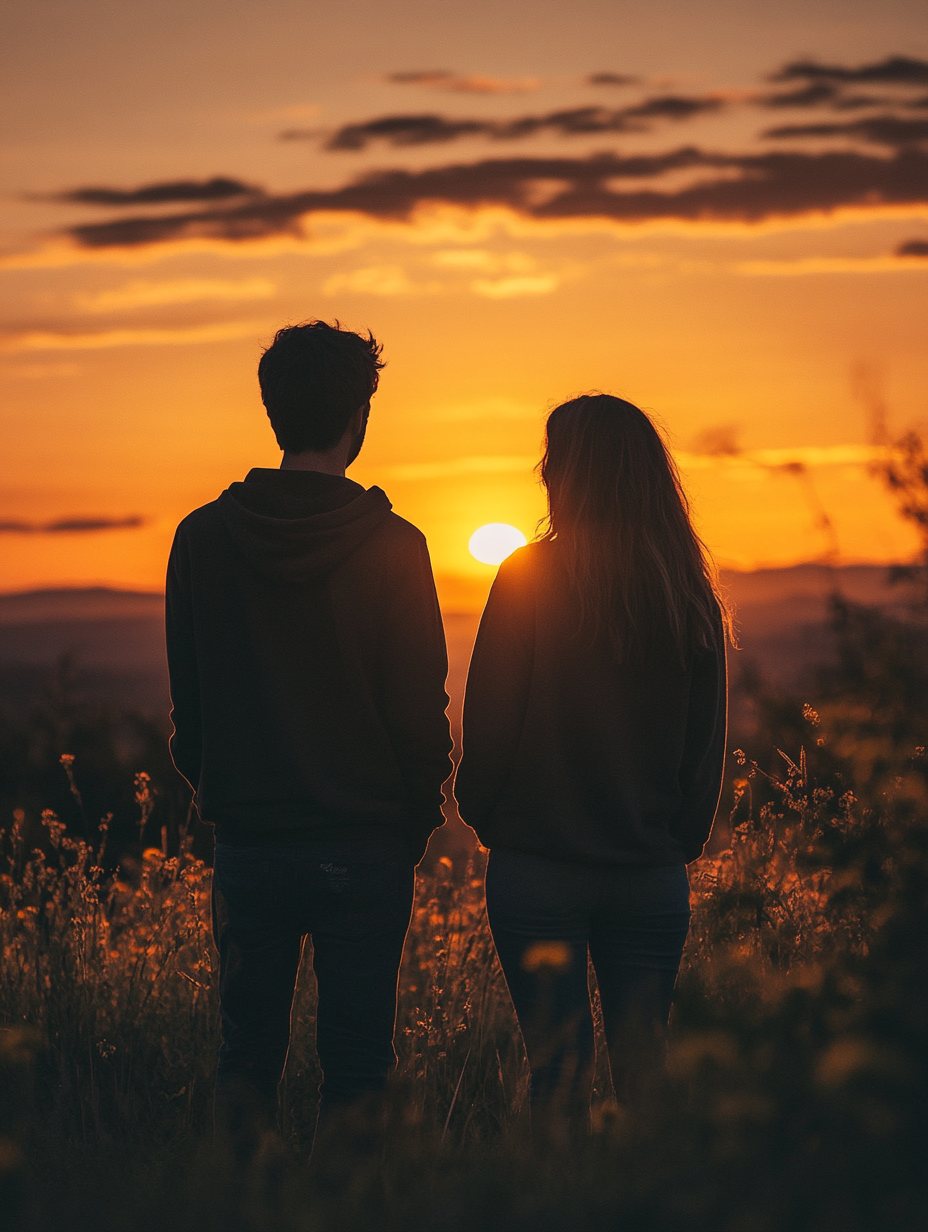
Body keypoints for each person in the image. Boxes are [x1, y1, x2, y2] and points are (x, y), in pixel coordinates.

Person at [165, 320, 452, 1151]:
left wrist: (228, 796)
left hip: (249, 843)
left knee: (244, 1062)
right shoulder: (397, 548)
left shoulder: (201, 539)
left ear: (272, 410)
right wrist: (410, 825)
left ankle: (238, 1212)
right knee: (360, 1066)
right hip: (363, 845)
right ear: (360, 414)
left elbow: (190, 717)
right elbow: (420, 715)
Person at [455, 393, 729, 1124]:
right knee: (647, 1076)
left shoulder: (526, 578)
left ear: (566, 475)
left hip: (538, 870)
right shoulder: (687, 591)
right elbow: (706, 747)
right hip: (650, 876)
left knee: (557, 1078)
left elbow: (487, 728)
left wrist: (489, 820)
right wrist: (677, 841)